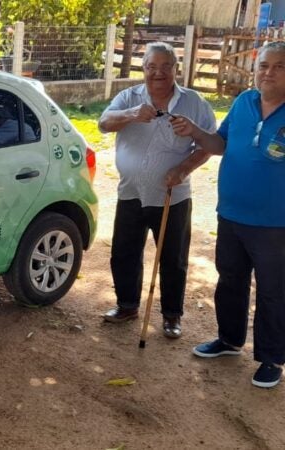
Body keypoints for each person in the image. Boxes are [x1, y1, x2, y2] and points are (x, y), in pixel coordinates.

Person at [170, 41, 285, 388]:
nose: (268, 72)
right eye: (264, 65)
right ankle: (229, 340)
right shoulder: (243, 102)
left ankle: (271, 358)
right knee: (231, 280)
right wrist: (194, 131)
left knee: (273, 292)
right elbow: (220, 145)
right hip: (231, 214)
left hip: (275, 224)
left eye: (279, 67)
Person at [98, 42, 216, 339]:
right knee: (124, 252)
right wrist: (130, 114)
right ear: (144, 69)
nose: (158, 73)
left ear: (176, 69)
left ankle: (172, 315)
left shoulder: (194, 102)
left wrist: (183, 169)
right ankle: (126, 306)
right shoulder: (129, 97)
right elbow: (103, 124)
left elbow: (208, 145)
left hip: (171, 196)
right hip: (131, 192)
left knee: (173, 258)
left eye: (166, 66)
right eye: (152, 67)